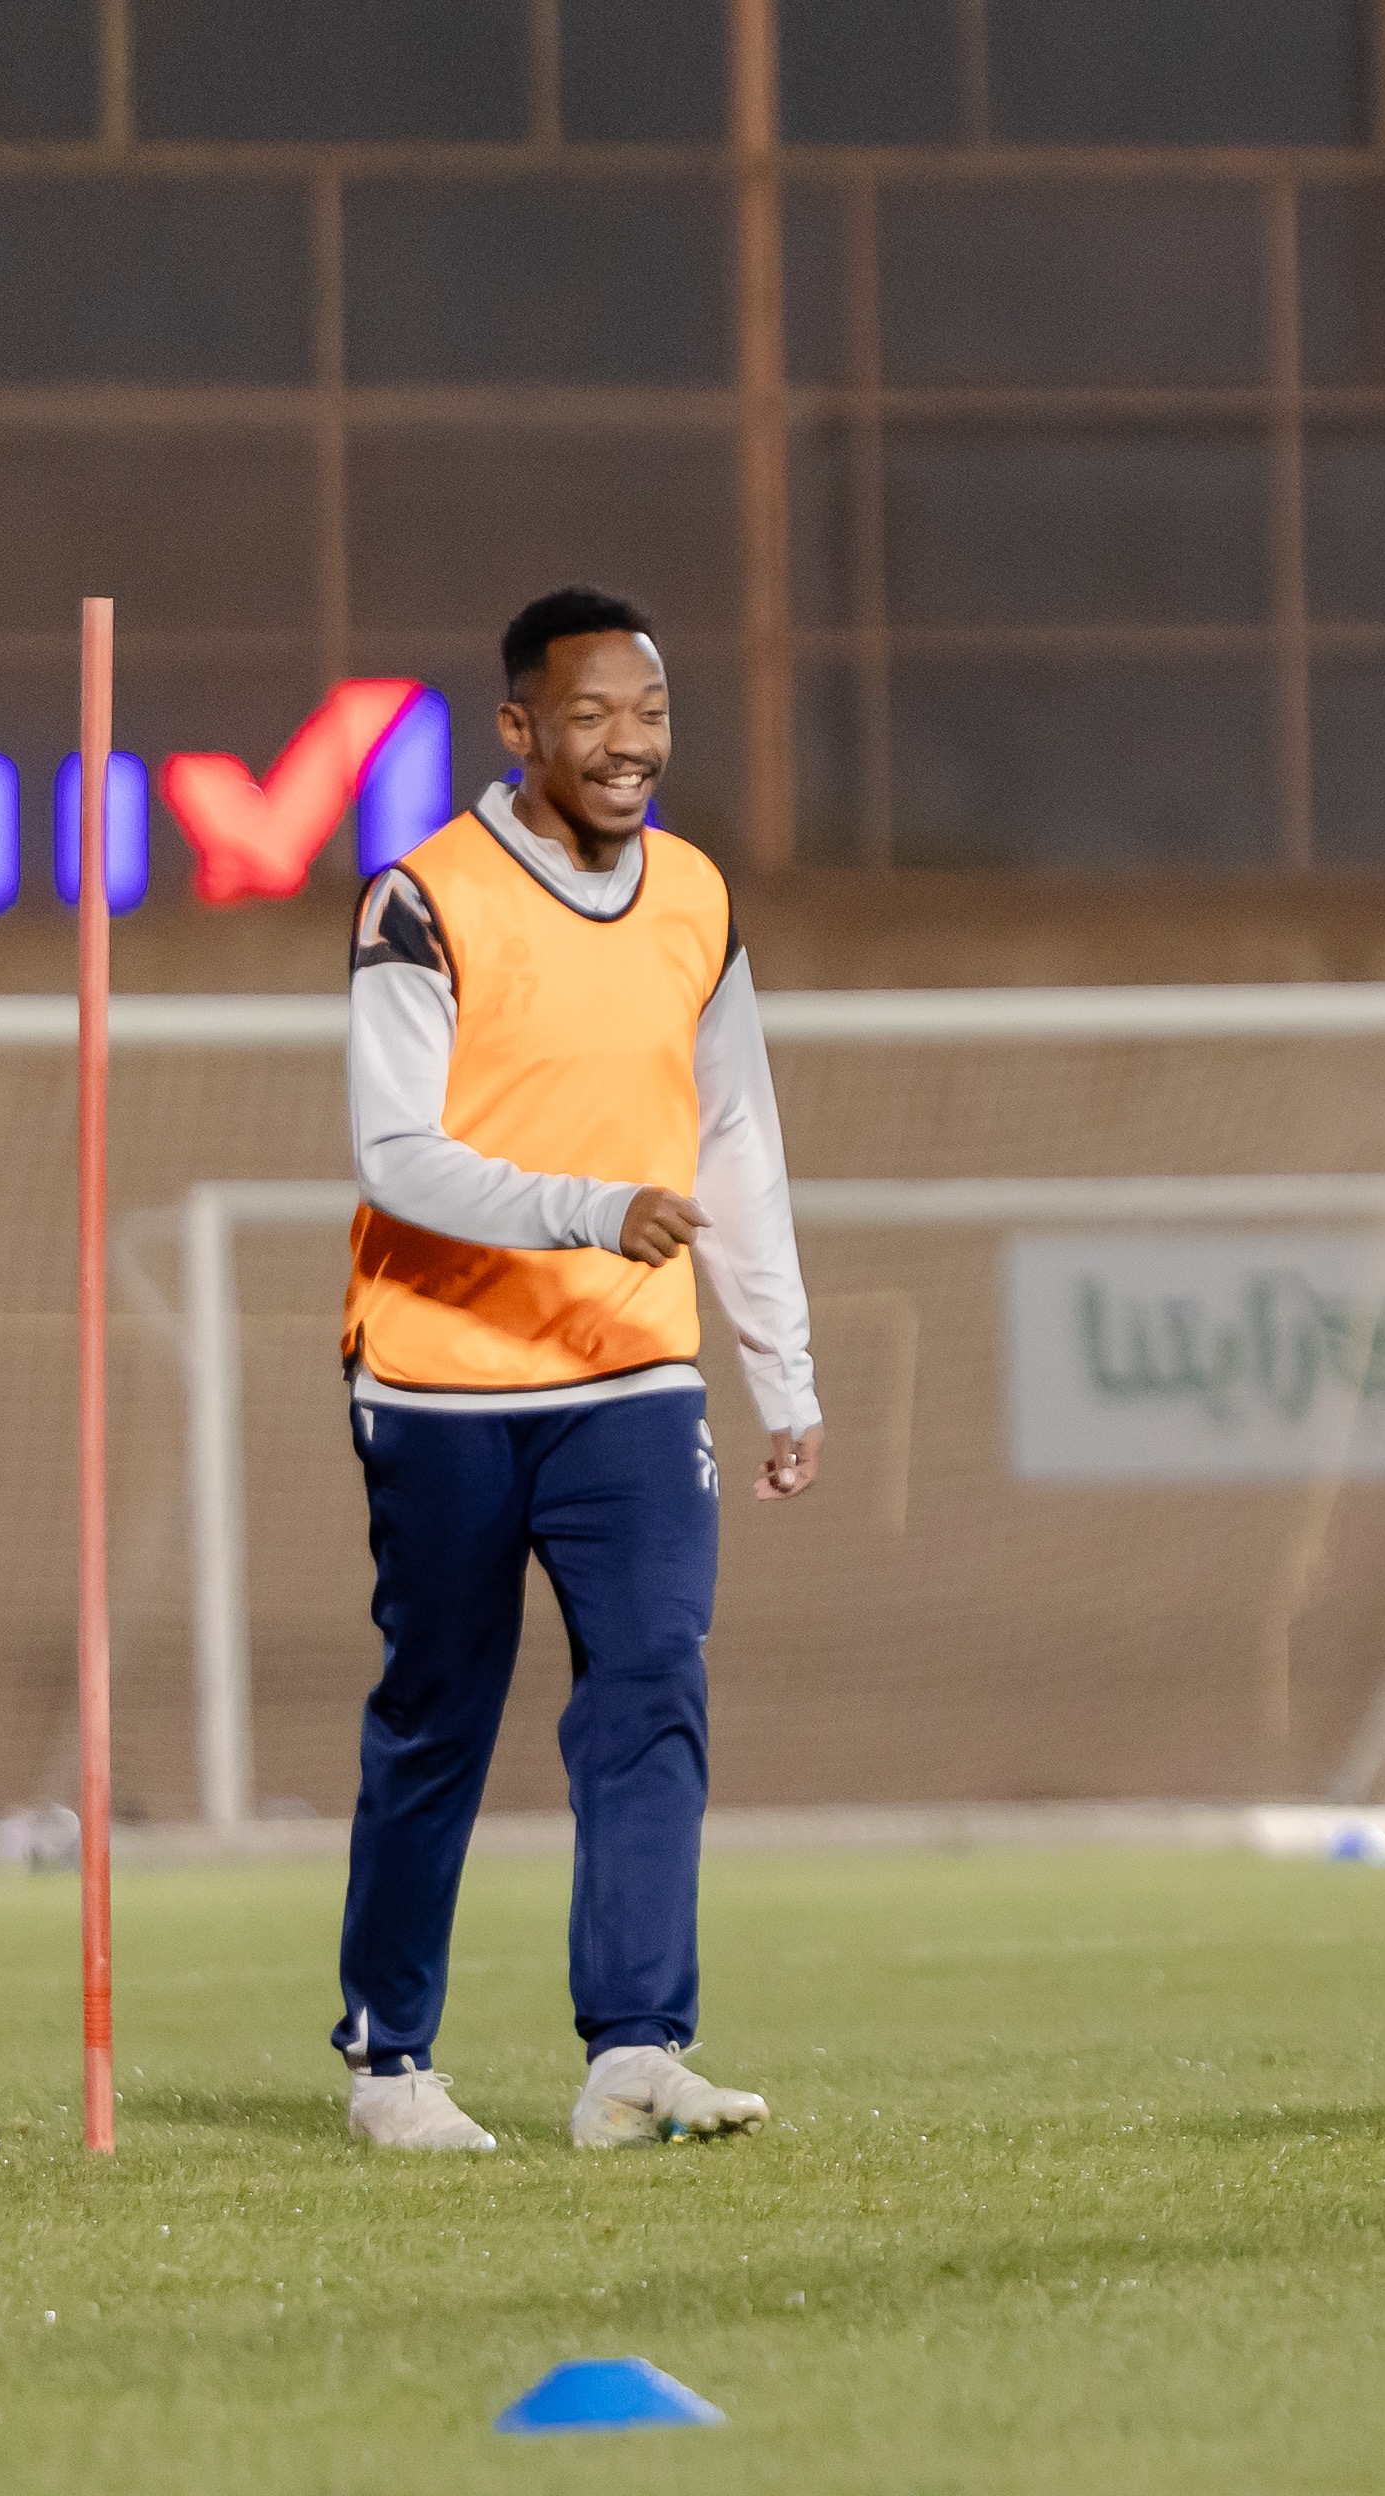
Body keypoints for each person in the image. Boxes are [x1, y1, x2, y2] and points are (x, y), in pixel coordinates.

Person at [333, 585, 824, 2153]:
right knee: (440, 1712)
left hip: (632, 1379)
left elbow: (736, 1137)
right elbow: (397, 1154)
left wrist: (783, 1368)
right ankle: (389, 2061)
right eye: (596, 716)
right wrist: (591, 1209)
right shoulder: (421, 896)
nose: (630, 746)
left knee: (652, 1684)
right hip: (444, 1383)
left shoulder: (694, 896)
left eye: (654, 717)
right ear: (522, 728)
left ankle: (634, 2051)